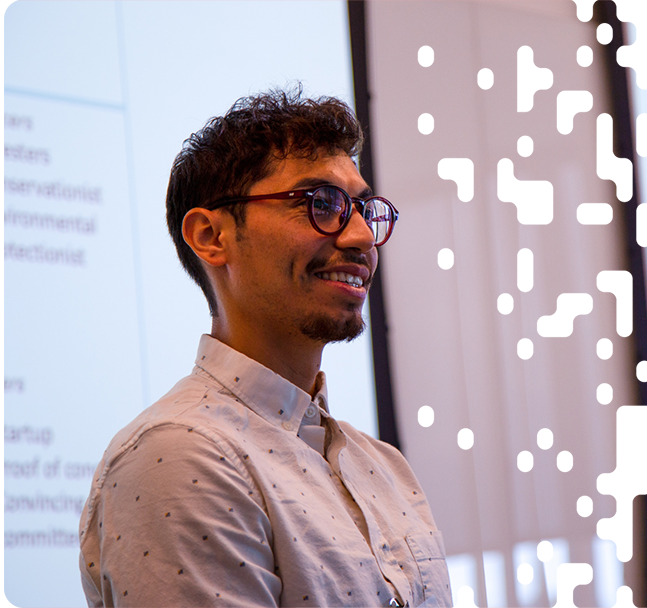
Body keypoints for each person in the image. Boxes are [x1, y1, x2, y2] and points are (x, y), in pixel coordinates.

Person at [78, 88, 452, 608]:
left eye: (365, 208)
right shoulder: (182, 454)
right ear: (211, 236)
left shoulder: (385, 467)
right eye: (321, 204)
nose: (363, 235)